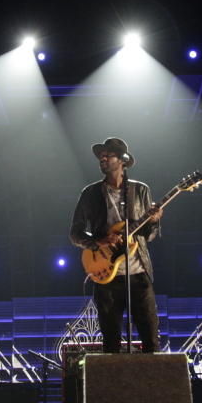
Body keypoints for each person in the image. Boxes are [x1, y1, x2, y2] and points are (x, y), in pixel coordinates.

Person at [70, 137, 164, 353]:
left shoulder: (140, 190)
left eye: (108, 155)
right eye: (101, 155)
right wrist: (98, 242)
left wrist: (155, 220)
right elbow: (75, 233)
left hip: (139, 275)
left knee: (151, 340)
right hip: (106, 277)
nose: (102, 158)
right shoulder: (91, 193)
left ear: (122, 160)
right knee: (111, 343)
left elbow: (148, 236)